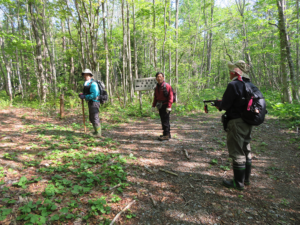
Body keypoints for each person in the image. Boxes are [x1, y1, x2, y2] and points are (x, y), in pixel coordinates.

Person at [216, 60, 253, 190]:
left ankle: (238, 183)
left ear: (234, 72)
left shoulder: (233, 85)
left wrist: (218, 105)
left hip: (236, 122)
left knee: (237, 151)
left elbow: (226, 105)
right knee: (246, 148)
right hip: (248, 121)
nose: (230, 73)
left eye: (231, 71)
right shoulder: (250, 85)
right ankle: (246, 179)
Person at [78, 69, 102, 137]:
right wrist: (83, 94)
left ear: (90, 76)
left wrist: (85, 96)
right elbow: (89, 92)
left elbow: (94, 94)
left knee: (94, 117)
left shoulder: (93, 83)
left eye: (87, 75)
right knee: (92, 117)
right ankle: (96, 131)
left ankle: (98, 133)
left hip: (95, 102)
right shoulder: (88, 83)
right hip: (91, 102)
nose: (86, 77)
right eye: (85, 75)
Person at [152, 72, 173, 141]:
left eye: (160, 76)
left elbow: (170, 96)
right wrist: (153, 106)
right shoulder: (156, 87)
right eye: (158, 77)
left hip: (166, 105)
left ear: (163, 78)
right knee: (163, 120)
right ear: (156, 78)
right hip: (160, 105)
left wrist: (169, 106)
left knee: (165, 120)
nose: (159, 78)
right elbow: (155, 97)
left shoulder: (167, 86)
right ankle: (166, 133)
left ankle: (166, 135)